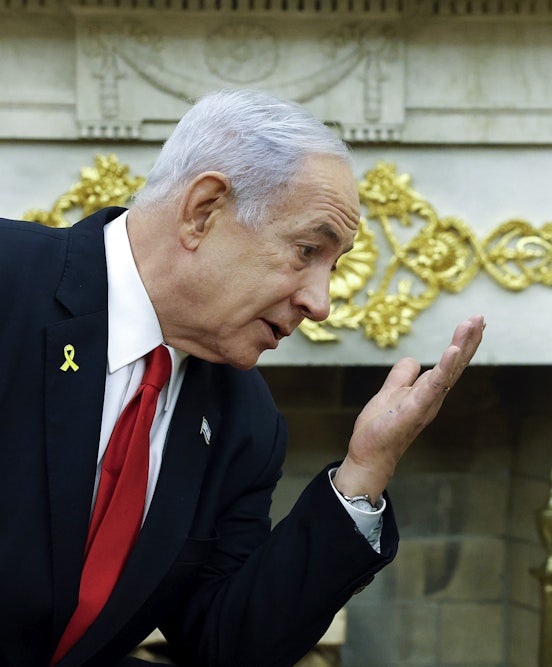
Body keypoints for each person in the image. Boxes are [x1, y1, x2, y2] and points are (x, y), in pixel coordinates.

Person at [0, 88, 485, 667]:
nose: (321, 302)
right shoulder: (9, 282)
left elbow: (226, 646)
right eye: (307, 250)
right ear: (203, 211)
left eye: (334, 266)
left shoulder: (245, 420)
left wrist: (364, 473)